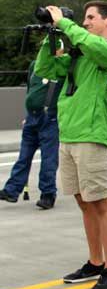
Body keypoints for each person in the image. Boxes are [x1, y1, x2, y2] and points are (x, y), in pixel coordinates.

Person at [34, 1, 107, 289]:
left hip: (92, 133)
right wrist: (51, 35)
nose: (86, 22)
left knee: (100, 201)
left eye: (91, 17)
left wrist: (65, 24)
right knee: (83, 200)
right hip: (70, 132)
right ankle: (95, 261)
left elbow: (96, 47)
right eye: (84, 18)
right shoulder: (81, 51)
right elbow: (45, 67)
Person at [0, 51, 65, 209]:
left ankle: (48, 194)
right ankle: (12, 190)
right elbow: (31, 90)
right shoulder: (33, 65)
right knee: (24, 156)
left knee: (48, 159)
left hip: (49, 117)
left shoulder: (61, 68)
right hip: (32, 117)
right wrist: (27, 114)